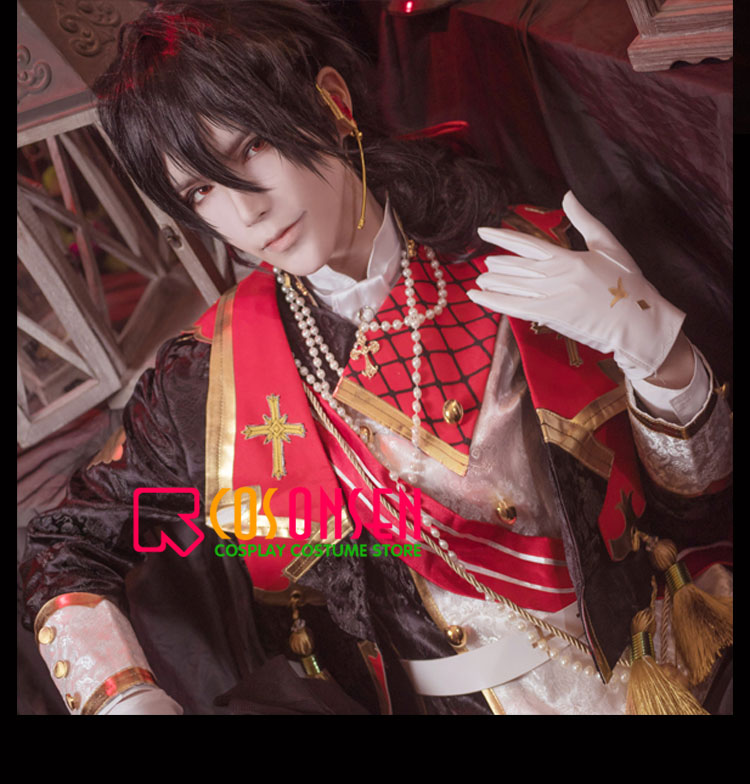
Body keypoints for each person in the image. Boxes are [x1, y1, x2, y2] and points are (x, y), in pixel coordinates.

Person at [20, 0, 732, 715]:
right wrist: (122, 698)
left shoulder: (516, 249)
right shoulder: (209, 378)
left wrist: (658, 354)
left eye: (252, 148)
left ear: (332, 103)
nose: (246, 212)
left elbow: (697, 504)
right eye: (201, 190)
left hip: (667, 661)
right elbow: (68, 545)